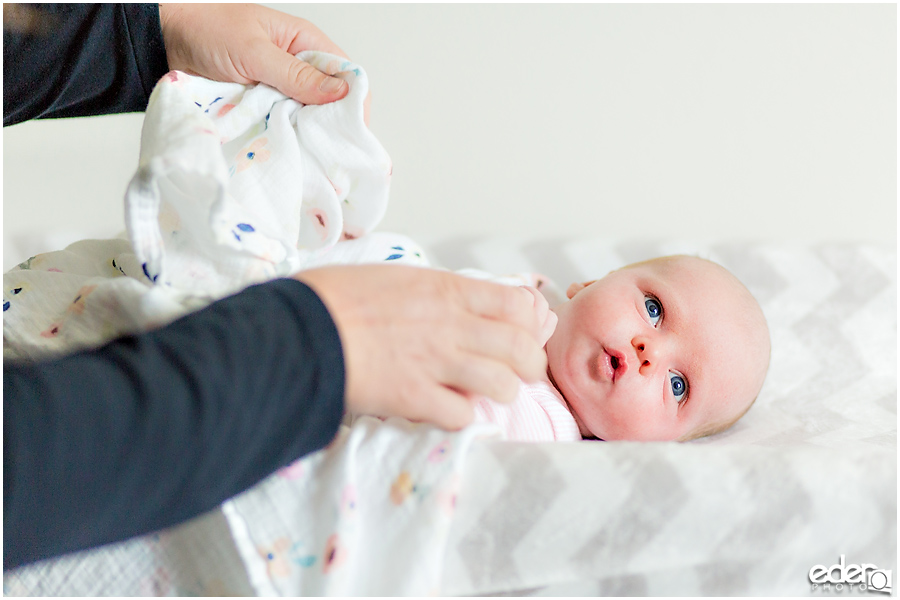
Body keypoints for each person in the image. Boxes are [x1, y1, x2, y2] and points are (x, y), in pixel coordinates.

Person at [2, 4, 548, 571]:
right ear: (583, 288)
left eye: (656, 392)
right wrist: (311, 347)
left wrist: (143, 36)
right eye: (652, 307)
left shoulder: (555, 430)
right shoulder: (507, 300)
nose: (645, 351)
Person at [469, 255, 771, 442]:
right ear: (592, 283)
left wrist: (505, 346)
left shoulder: (539, 428)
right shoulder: (529, 286)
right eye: (654, 309)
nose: (649, 352)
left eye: (677, 385)